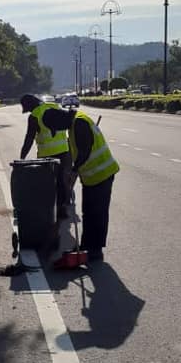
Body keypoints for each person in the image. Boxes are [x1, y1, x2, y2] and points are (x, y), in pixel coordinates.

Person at [42, 107, 119, 262]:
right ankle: (84, 247)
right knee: (88, 213)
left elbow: (85, 151)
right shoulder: (72, 125)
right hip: (91, 176)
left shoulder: (79, 123)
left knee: (98, 214)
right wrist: (71, 171)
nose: (58, 130)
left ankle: (95, 250)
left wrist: (74, 170)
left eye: (56, 128)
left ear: (59, 119)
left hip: (102, 174)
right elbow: (77, 152)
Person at [19, 94, 72, 218]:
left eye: (28, 109)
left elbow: (29, 138)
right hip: (63, 150)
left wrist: (22, 156)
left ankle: (50, 209)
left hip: (46, 155)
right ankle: (62, 208)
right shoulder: (55, 106)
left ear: (30, 106)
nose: (29, 112)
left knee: (47, 183)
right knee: (60, 180)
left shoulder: (35, 116)